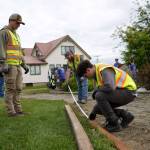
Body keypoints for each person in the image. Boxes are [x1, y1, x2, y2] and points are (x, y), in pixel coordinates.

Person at [77, 60, 137, 132]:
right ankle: (126, 116)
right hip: (123, 92)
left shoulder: (104, 69)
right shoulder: (97, 73)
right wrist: (94, 111)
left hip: (129, 91)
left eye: (85, 76)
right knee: (98, 107)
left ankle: (114, 123)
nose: (86, 78)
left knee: (99, 95)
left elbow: (110, 87)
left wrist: (96, 90)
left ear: (88, 70)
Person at [0, 13, 29, 117]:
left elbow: (19, 52)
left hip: (17, 65)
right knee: (10, 89)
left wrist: (24, 64)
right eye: (17, 23)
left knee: (18, 88)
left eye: (20, 23)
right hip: (9, 66)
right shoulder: (4, 32)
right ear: (11, 21)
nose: (19, 25)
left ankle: (18, 110)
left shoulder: (16, 35)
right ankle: (11, 112)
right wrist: (3, 63)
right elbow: (1, 49)